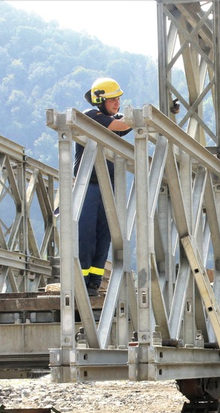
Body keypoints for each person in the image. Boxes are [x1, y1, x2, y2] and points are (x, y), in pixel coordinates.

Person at [74, 77, 133, 296]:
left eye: (118, 99)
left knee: (104, 236)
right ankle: (81, 281)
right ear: (100, 101)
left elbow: (124, 124)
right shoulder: (91, 117)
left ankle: (94, 283)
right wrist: (137, 118)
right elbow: (124, 124)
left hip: (108, 186)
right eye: (112, 99)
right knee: (86, 235)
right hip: (88, 186)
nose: (117, 103)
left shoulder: (111, 120)